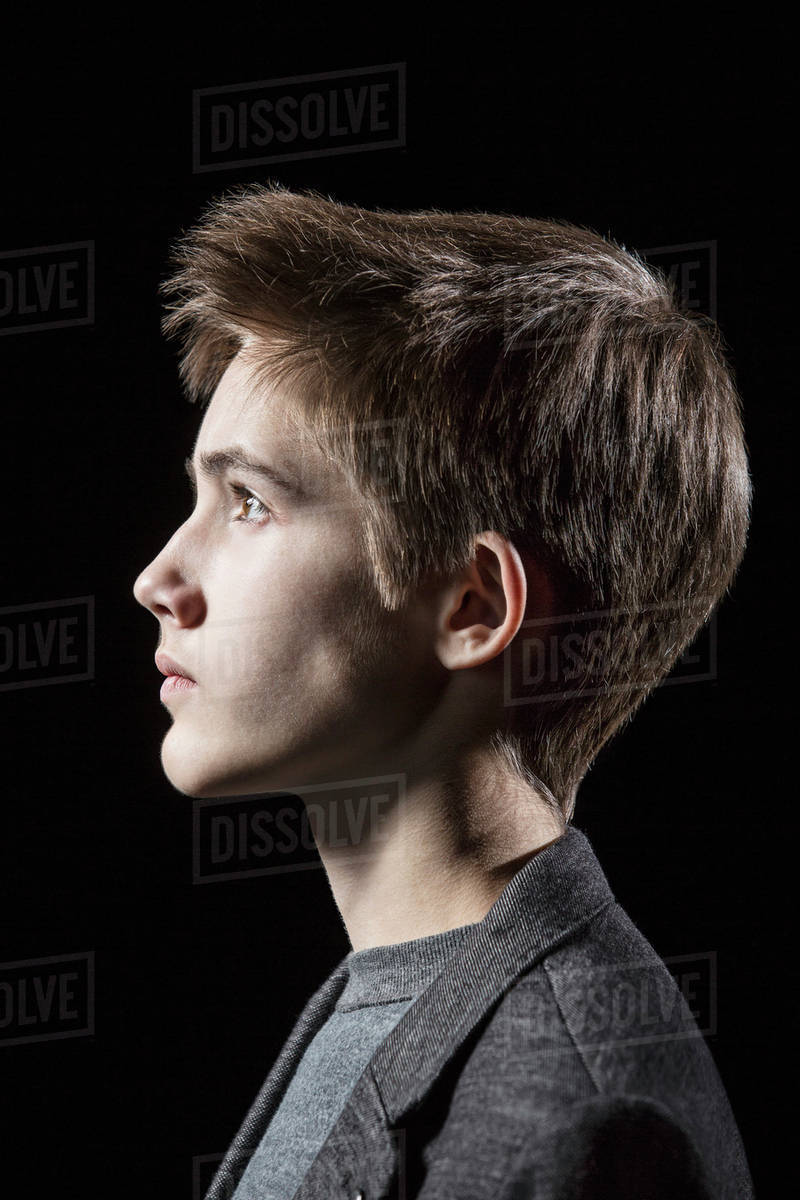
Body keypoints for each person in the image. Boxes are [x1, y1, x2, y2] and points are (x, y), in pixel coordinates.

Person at [133, 183, 754, 1199]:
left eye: (249, 501)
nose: (158, 581)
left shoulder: (575, 1116)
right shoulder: (389, 992)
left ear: (472, 605)